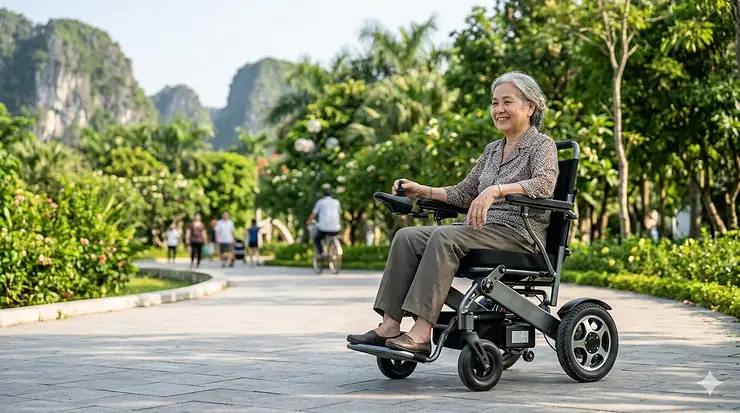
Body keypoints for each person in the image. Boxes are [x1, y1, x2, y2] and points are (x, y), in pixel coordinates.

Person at [346, 71, 559, 356]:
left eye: (507, 102)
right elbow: (463, 192)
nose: (498, 110)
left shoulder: (541, 145)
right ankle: (389, 326)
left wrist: (496, 190)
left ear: (530, 106)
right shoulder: (493, 150)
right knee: (406, 237)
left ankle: (421, 334)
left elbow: (545, 184)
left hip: (519, 234)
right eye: (494, 103)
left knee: (444, 237)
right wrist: (422, 190)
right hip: (480, 231)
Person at [306, 187, 342, 258]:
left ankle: (322, 253)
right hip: (336, 227)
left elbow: (313, 214)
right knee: (332, 236)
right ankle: (332, 250)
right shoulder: (337, 202)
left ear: (323, 195)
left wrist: (309, 221)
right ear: (331, 195)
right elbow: (339, 212)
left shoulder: (320, 202)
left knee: (317, 239)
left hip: (324, 228)